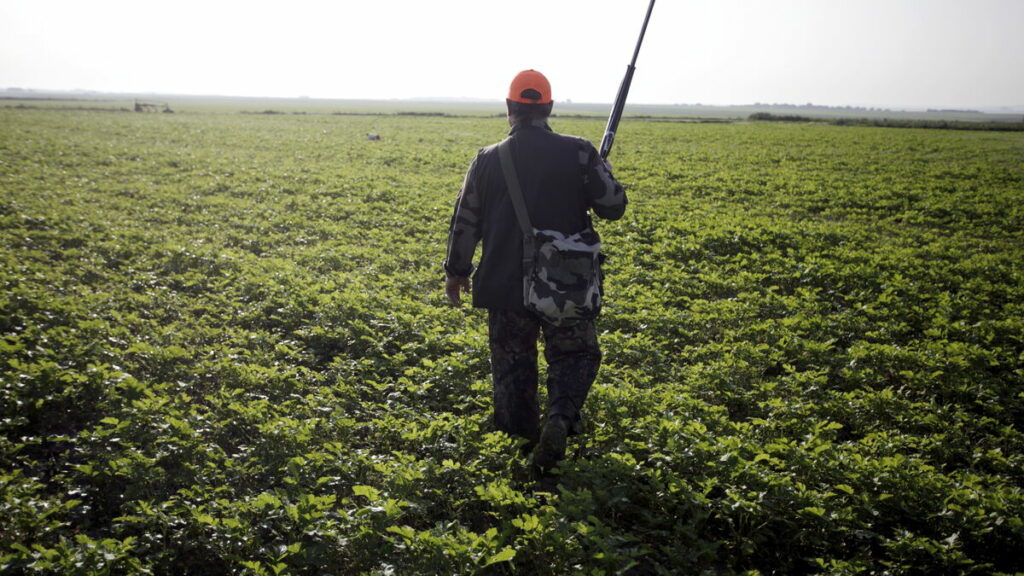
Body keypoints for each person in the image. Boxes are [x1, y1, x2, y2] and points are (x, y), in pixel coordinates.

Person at [443, 69, 627, 479]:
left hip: (505, 284)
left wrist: (456, 272)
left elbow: (465, 221)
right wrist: (602, 171)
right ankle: (560, 418)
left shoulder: (487, 159)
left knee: (513, 368)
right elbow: (614, 207)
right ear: (549, 108)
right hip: (566, 285)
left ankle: (517, 453)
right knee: (575, 355)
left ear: (510, 108)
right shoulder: (580, 152)